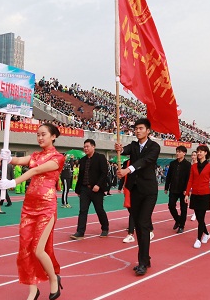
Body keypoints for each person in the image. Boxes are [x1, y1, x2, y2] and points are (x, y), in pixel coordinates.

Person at [0, 122, 65, 300]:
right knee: (25, 249)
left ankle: (53, 278)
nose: (40, 137)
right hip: (29, 206)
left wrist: (13, 182)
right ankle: (32, 290)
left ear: (53, 136)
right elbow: (22, 160)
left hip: (46, 207)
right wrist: (9, 158)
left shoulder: (58, 158)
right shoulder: (35, 155)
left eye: (43, 134)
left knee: (38, 249)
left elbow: (35, 170)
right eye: (38, 134)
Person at [115, 118, 161, 276]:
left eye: (141, 128)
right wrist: (120, 148)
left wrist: (128, 170)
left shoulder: (154, 147)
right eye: (136, 128)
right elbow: (125, 149)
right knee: (139, 227)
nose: (138, 131)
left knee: (143, 223)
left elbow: (145, 161)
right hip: (134, 190)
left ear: (148, 130)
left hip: (149, 191)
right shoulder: (134, 146)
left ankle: (142, 263)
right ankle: (145, 258)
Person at [70, 139, 110, 239]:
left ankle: (105, 228)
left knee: (99, 209)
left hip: (96, 189)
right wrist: (78, 190)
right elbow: (81, 176)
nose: (85, 148)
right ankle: (80, 232)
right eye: (84, 147)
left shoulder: (100, 157)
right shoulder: (83, 160)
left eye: (87, 146)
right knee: (83, 210)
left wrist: (98, 185)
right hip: (84, 189)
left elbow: (104, 173)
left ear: (93, 147)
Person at [185, 145, 210, 249]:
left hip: (205, 194)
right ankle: (206, 233)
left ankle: (198, 239)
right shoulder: (193, 166)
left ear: (206, 153)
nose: (199, 153)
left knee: (201, 217)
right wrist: (187, 194)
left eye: (201, 151)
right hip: (195, 194)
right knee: (199, 217)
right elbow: (190, 180)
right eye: (198, 151)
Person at [165, 145, 191, 234]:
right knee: (171, 206)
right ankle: (178, 219)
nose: (177, 153)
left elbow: (188, 178)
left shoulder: (187, 164)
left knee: (183, 209)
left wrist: (186, 190)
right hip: (173, 189)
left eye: (179, 152)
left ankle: (181, 226)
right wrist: (166, 187)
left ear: (184, 153)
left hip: (183, 190)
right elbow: (168, 176)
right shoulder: (173, 163)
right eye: (177, 151)